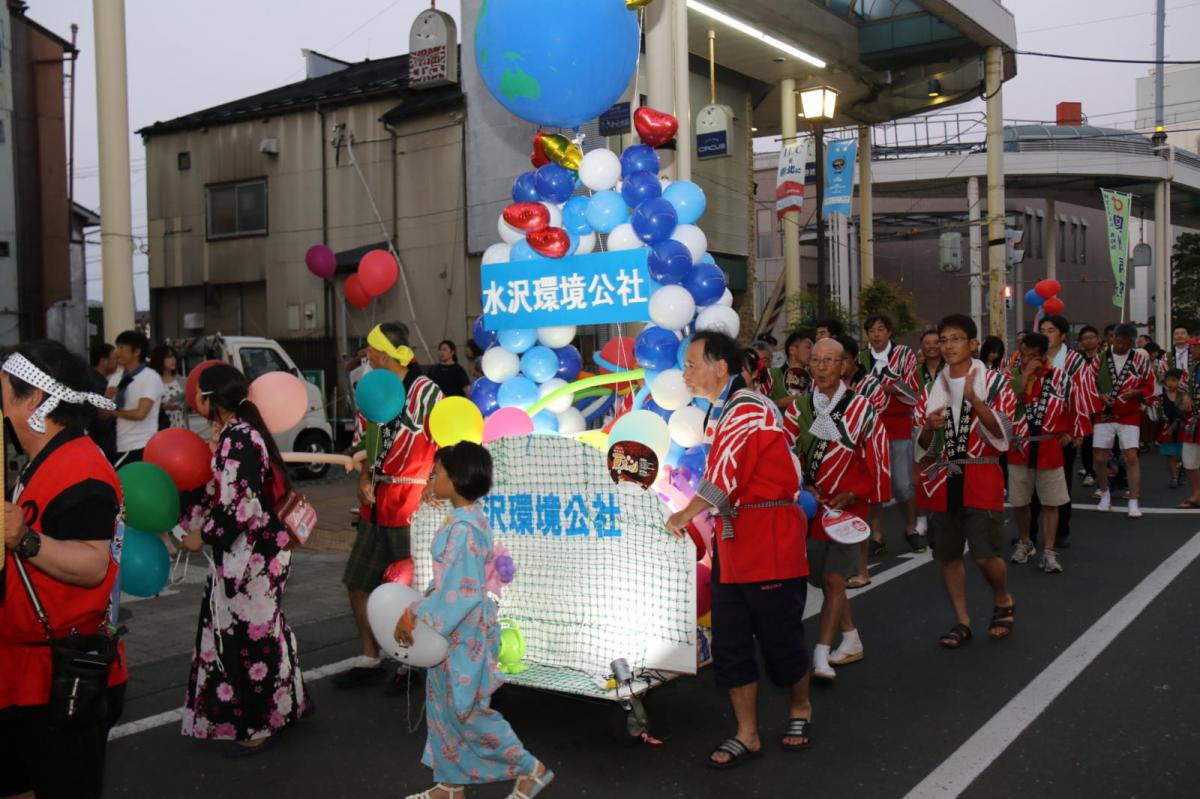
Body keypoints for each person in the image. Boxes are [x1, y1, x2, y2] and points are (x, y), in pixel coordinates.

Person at [666, 331, 812, 768]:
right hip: (734, 539)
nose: (685, 374)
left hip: (768, 537)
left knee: (781, 640)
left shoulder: (747, 407)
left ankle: (800, 707)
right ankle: (746, 733)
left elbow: (725, 476)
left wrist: (682, 514)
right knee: (730, 645)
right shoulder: (722, 409)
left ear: (720, 368)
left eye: (692, 365)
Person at [1, 340, 126, 799]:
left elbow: (93, 564)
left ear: (32, 399)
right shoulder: (45, 459)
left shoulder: (79, 467)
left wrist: (25, 538)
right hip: (23, 668)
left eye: (3, 393)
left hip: (57, 673)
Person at [396, 443, 553, 799]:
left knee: (467, 710)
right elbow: (455, 586)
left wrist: (415, 612)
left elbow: (460, 592)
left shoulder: (464, 529)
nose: (431, 479)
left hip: (463, 634)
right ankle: (450, 786)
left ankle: (531, 770)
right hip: (454, 632)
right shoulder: (466, 519)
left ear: (455, 480)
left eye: (436, 473)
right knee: (443, 707)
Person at [177, 363, 308, 755]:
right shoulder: (238, 433)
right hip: (256, 552)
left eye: (197, 393)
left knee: (249, 641)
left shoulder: (237, 437)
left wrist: (203, 533)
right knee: (263, 633)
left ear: (209, 398)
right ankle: (281, 709)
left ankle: (258, 725)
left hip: (250, 556)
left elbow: (241, 507)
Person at [337, 323, 444, 689]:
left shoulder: (426, 392)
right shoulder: (370, 390)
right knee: (357, 580)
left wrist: (436, 481)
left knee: (411, 586)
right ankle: (370, 655)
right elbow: (365, 443)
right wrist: (363, 477)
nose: (365, 357)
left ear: (384, 353)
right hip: (375, 503)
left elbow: (450, 441)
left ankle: (413, 661)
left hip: (412, 504)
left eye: (370, 350)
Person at [782, 338, 889, 681]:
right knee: (825, 582)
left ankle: (821, 653)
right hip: (811, 508)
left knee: (833, 578)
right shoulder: (797, 409)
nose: (822, 366)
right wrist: (799, 486)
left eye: (830, 360)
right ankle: (852, 637)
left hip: (847, 509)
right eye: (815, 360)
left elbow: (878, 462)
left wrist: (853, 492)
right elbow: (785, 457)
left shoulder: (862, 409)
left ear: (844, 365)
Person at [915, 314, 1017, 649]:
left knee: (986, 554)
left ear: (973, 344)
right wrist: (930, 426)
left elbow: (1005, 435)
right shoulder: (933, 387)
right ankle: (962, 619)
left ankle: (1002, 598)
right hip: (943, 476)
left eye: (956, 338)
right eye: (943, 340)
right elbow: (923, 448)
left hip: (981, 471)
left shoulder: (997, 382)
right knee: (949, 555)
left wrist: (976, 401)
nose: (947, 346)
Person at [1030, 315, 1100, 547]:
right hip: (1033, 429)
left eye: (1051, 330)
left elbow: (1082, 396)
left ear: (1062, 335)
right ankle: (1028, 534)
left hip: (1061, 432)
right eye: (1042, 330)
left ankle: (1061, 531)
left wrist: (1076, 431)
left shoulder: (1074, 361)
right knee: (1030, 484)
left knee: (1061, 483)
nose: (1046, 334)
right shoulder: (1030, 358)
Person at [1008, 333, 1073, 574]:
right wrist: (1024, 376)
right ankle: (1025, 541)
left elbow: (1071, 406)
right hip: (1019, 447)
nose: (1028, 360)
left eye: (1034, 356)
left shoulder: (1059, 378)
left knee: (1051, 502)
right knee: (1019, 501)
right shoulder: (1011, 377)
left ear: (1045, 356)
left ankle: (1049, 550)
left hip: (1048, 448)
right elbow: (1005, 405)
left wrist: (1069, 432)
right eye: (1024, 355)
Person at [860, 315, 923, 555]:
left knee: (903, 482)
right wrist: (886, 386)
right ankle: (877, 534)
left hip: (897, 425)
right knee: (875, 482)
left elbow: (910, 389)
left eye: (880, 329)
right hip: (870, 428)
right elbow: (857, 387)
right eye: (872, 330)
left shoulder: (904, 354)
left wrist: (880, 387)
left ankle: (911, 528)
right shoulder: (862, 357)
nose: (876, 334)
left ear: (889, 332)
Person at [837, 335, 889, 588]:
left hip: (863, 454)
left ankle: (862, 570)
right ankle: (840, 569)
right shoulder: (822, 386)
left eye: (840, 359)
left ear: (853, 359)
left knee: (858, 513)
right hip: (833, 457)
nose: (834, 365)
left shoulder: (869, 384)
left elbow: (872, 414)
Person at [1092, 323, 1156, 518]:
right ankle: (1104, 494)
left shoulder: (1139, 360)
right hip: (1104, 415)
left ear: (1132, 343)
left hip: (1129, 415)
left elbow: (1150, 384)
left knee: (1131, 457)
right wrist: (1100, 396)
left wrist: (1137, 392)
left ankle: (1133, 501)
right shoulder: (1099, 359)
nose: (1121, 347)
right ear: (1113, 339)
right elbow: (1089, 384)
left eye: (1126, 344)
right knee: (1100, 458)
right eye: (1118, 342)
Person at [107, 329, 164, 467]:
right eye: (117, 347)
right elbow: (103, 416)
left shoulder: (150, 377)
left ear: (137, 352)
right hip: (121, 444)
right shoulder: (115, 378)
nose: (117, 352)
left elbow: (140, 413)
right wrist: (106, 398)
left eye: (121, 348)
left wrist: (114, 411)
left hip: (143, 444)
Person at [1077, 325, 1103, 486]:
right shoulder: (1076, 360)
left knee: (1101, 442)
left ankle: (1105, 473)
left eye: (1092, 337)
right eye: (1085, 338)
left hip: (1101, 406)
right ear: (1080, 342)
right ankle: (1089, 471)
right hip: (1082, 406)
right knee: (1086, 440)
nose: (1088, 340)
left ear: (1098, 340)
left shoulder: (1104, 359)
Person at [1177, 337, 1200, 508]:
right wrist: (1185, 396)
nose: (1191, 350)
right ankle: (1197, 494)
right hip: (1195, 422)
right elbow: (1181, 390)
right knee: (1189, 461)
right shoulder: (1192, 369)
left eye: (1194, 347)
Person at [87, 342, 119, 461]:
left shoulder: (97, 380)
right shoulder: (97, 384)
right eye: (115, 358)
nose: (117, 362)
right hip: (101, 440)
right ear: (103, 361)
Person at [149, 344, 187, 429]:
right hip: (161, 430)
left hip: (181, 429)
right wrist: (163, 407)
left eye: (174, 356)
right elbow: (145, 409)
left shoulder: (181, 380)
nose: (173, 360)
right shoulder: (151, 382)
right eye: (169, 357)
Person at [1159, 368, 1186, 488]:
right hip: (1168, 429)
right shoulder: (1161, 396)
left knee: (1182, 455)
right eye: (1168, 380)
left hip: (1183, 428)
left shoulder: (1184, 396)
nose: (1170, 383)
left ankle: (1180, 473)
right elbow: (1159, 412)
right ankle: (1174, 477)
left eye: (1174, 380)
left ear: (1180, 381)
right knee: (1171, 454)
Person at [779, 330, 814, 406]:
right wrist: (781, 402)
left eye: (813, 348)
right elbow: (760, 402)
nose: (812, 352)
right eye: (808, 347)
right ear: (792, 350)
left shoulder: (813, 379)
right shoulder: (772, 375)